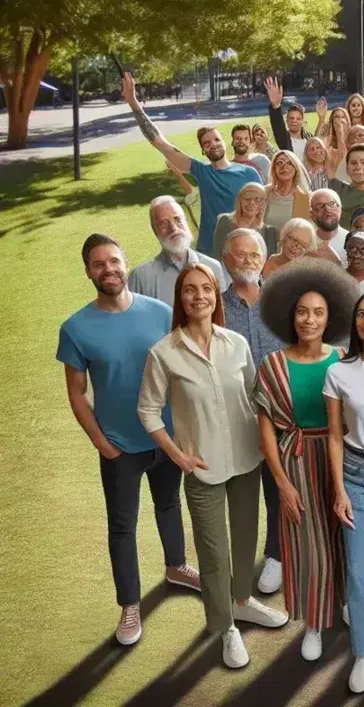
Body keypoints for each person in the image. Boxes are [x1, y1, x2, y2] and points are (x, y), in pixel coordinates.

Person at [137, 264, 289, 669]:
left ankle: (242, 602)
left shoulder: (236, 342)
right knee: (213, 548)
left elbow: (257, 395)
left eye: (206, 288)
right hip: (201, 465)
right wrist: (177, 454)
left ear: (215, 296)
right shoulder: (163, 353)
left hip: (245, 458)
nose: (199, 296)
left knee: (244, 538)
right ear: (181, 298)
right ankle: (226, 627)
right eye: (190, 290)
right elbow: (148, 410)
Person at [58, 234, 200, 646]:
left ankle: (177, 566)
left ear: (125, 263)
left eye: (114, 261)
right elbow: (76, 393)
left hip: (166, 440)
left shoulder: (161, 313)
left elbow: (183, 370)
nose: (109, 270)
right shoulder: (75, 328)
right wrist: (102, 443)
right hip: (119, 447)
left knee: (170, 504)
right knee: (122, 527)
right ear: (88, 271)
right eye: (99, 264)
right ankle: (130, 606)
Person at [253, 259, 358, 661]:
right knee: (306, 544)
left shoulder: (344, 358)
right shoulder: (273, 365)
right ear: (289, 316)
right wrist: (281, 482)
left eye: (318, 312)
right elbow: (266, 431)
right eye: (302, 312)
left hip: (342, 461)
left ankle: (347, 603)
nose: (309, 320)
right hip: (295, 461)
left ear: (330, 316)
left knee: (343, 537)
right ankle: (313, 621)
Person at [220, 229, 290, 594]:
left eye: (253, 254)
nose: (247, 260)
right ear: (225, 260)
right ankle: (241, 558)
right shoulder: (215, 306)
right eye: (239, 255)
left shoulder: (282, 301)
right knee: (242, 490)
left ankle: (276, 555)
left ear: (264, 258)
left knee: (279, 486)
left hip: (281, 414)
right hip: (235, 415)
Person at [123, 73, 262, 254]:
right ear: (203, 151)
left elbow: (262, 211)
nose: (213, 144)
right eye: (207, 143)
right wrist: (133, 102)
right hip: (209, 250)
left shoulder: (248, 174)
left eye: (216, 140)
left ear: (224, 142)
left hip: (243, 249)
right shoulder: (202, 171)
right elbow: (160, 142)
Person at [128, 196, 229, 307]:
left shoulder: (212, 267)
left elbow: (222, 315)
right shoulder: (141, 276)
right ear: (155, 231)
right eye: (163, 223)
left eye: (178, 219)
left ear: (186, 222)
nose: (174, 228)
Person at [214, 182, 279, 256]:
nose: (252, 203)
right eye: (247, 199)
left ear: (263, 204)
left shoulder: (270, 232)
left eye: (257, 200)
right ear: (239, 201)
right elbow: (218, 256)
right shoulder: (225, 221)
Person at [264, 150, 314, 234]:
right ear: (274, 168)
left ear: (296, 168)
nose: (284, 167)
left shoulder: (307, 198)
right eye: (280, 163)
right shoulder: (263, 193)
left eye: (289, 163)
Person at [265, 77, 309, 160]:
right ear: (287, 121)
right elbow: (277, 125)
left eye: (298, 118)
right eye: (291, 118)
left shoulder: (308, 137)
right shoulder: (284, 140)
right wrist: (276, 105)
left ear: (303, 121)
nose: (294, 121)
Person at [307, 188, 349, 264]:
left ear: (340, 209)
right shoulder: (305, 241)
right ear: (311, 214)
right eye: (320, 205)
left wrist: (337, 262)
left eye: (332, 204)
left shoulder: (353, 241)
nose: (327, 210)